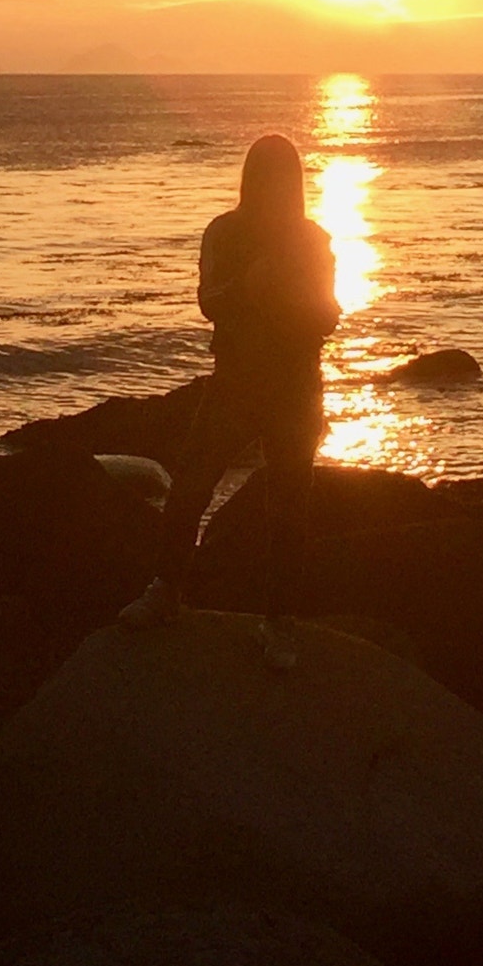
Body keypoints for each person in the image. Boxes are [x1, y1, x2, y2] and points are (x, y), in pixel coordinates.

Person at [119, 132, 339, 669]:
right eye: (265, 175)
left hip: (295, 386)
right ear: (250, 179)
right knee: (191, 486)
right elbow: (208, 301)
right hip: (236, 381)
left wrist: (291, 301)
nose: (274, 186)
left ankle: (280, 622)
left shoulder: (314, 240)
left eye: (282, 176)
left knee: (289, 507)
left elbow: (328, 315)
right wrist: (249, 286)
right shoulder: (225, 232)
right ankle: (167, 590)